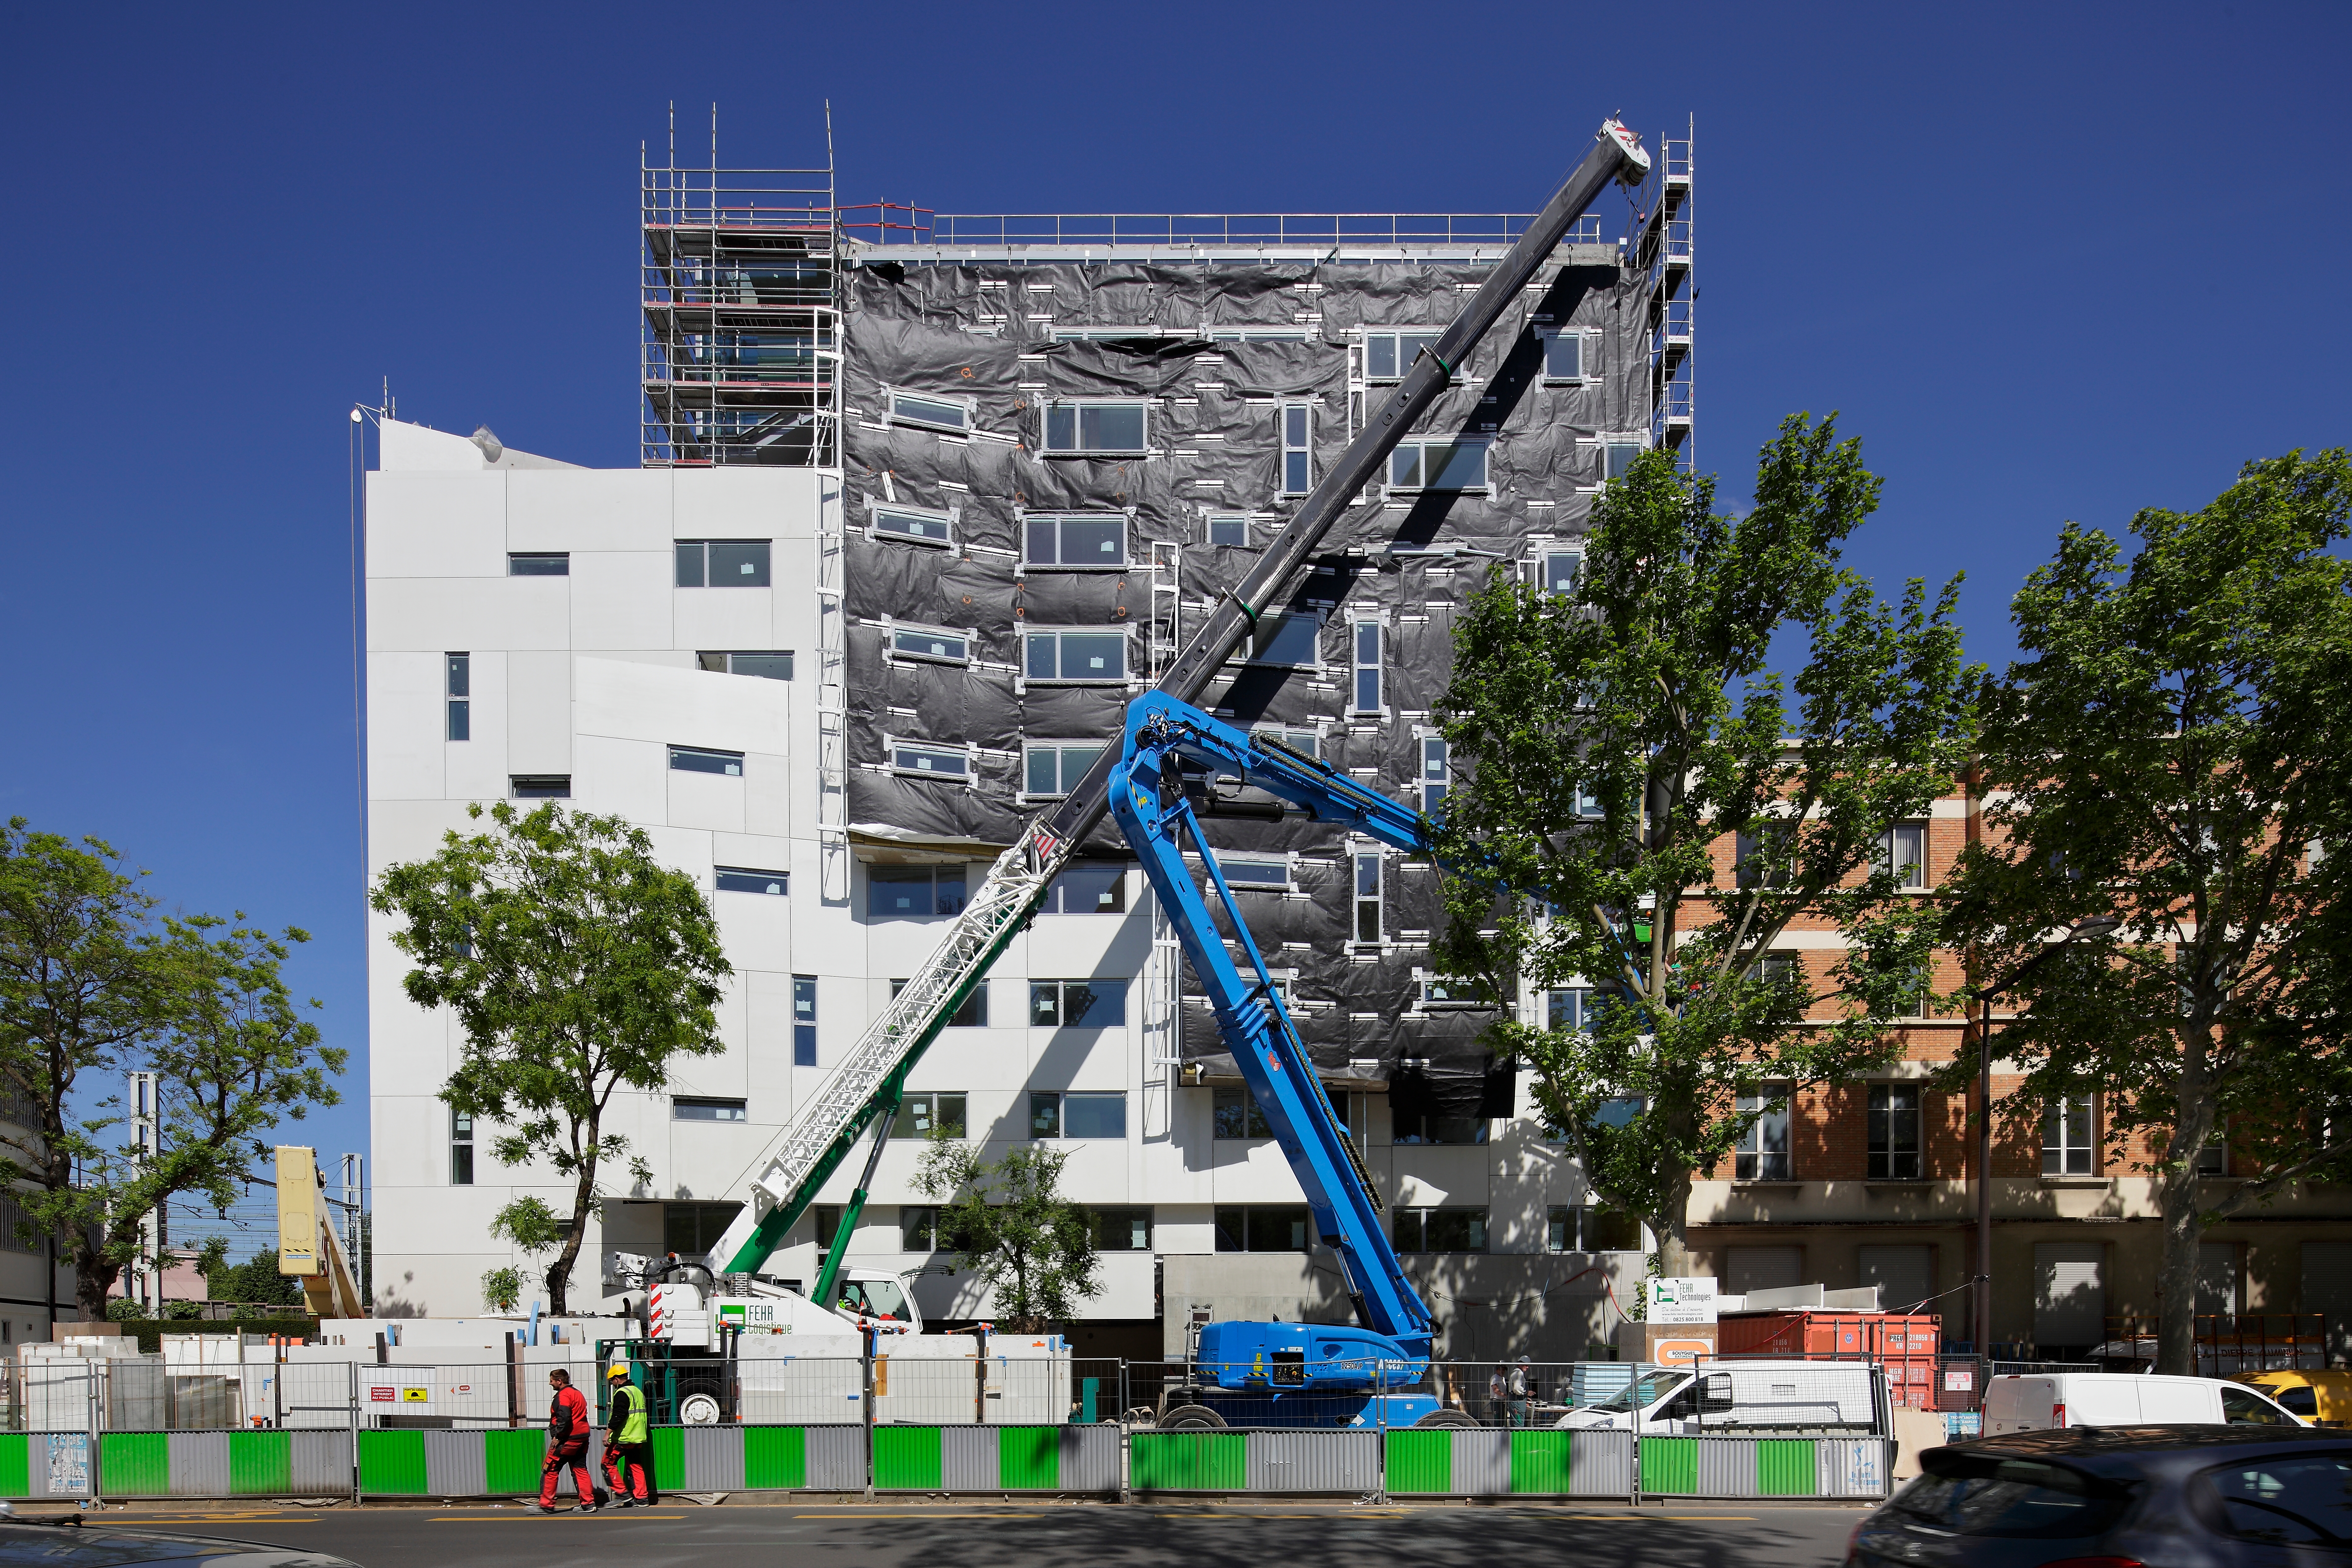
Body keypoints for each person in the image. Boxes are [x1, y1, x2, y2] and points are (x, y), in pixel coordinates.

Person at [538, 1368, 598, 1514]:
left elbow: (564, 1417)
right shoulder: (578, 1393)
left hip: (568, 1438)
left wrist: (558, 1437)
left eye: (552, 1380)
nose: (550, 1383)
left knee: (550, 1468)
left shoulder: (564, 1395)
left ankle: (547, 1504)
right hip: (583, 1436)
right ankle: (588, 1504)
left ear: (560, 1381)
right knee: (580, 1469)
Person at [600, 1360, 654, 1508]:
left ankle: (622, 1494)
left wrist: (608, 1434)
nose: (612, 1384)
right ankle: (642, 1498)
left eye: (612, 1381)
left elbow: (618, 1415)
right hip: (639, 1437)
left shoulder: (622, 1393)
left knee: (607, 1463)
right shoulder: (637, 1391)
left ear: (617, 1379)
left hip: (625, 1437)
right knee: (636, 1465)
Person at [1509, 1355, 1533, 1429]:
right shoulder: (1519, 1374)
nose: (1528, 1367)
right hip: (1518, 1404)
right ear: (1520, 1364)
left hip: (1516, 1402)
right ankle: (1519, 1440)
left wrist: (1525, 1397)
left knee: (1514, 1424)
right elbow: (1517, 1388)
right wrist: (1526, 1393)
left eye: (1528, 1365)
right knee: (1519, 1426)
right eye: (1526, 1365)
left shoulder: (1515, 1373)